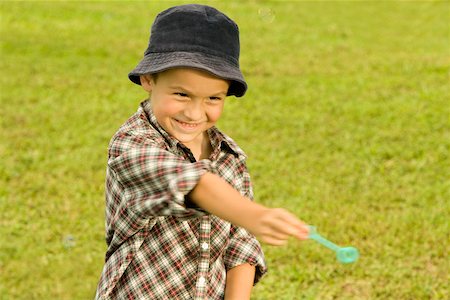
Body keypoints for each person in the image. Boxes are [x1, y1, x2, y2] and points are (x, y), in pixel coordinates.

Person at [95, 4, 309, 299]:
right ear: (148, 79)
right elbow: (188, 181)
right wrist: (254, 214)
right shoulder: (131, 144)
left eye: (213, 98)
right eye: (181, 94)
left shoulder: (230, 157)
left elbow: (239, 246)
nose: (194, 113)